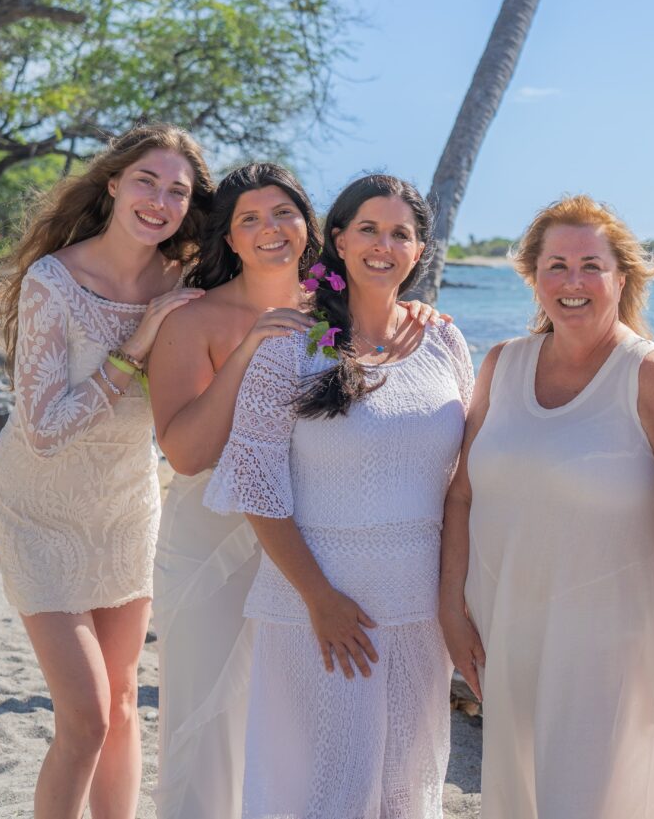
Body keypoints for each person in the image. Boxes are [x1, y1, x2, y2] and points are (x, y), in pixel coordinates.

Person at [148, 162, 445, 819]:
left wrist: (413, 310)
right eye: (248, 219)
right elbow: (187, 453)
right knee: (204, 723)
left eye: (282, 213)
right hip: (212, 536)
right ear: (227, 236)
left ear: (311, 227)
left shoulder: (329, 305)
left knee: (287, 733)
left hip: (314, 533)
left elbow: (382, 334)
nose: (269, 229)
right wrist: (252, 348)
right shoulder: (196, 319)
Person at [439, 195, 654, 819]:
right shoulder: (501, 364)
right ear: (532, 276)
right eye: (556, 264)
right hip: (505, 631)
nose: (572, 282)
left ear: (622, 277)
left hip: (609, 647)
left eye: (590, 265)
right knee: (520, 798)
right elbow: (463, 493)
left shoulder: (651, 374)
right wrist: (450, 608)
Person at [0, 123, 213, 818]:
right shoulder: (56, 281)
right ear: (113, 181)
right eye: (147, 180)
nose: (160, 200)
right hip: (37, 510)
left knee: (119, 705)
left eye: (177, 190)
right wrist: (137, 343)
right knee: (83, 717)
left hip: (125, 507)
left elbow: (279, 293)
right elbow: (44, 428)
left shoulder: (186, 280)